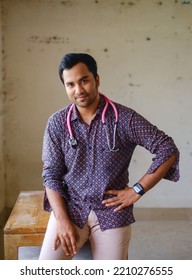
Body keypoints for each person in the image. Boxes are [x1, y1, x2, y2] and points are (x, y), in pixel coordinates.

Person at [39, 53, 179, 260]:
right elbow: (51, 174)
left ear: (96, 79)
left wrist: (137, 190)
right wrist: (61, 219)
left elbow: (167, 148)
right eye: (70, 85)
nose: (78, 90)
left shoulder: (124, 118)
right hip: (70, 207)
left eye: (84, 80)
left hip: (112, 211)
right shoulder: (57, 123)